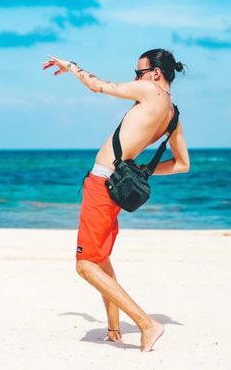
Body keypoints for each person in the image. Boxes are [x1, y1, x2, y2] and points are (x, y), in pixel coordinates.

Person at [43, 48, 190, 352]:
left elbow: (99, 85)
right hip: (115, 189)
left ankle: (147, 323)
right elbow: (181, 163)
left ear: (155, 74)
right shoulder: (173, 115)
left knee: (85, 266)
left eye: (139, 73)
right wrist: (143, 170)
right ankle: (113, 330)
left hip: (102, 183)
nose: (136, 78)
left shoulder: (150, 91)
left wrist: (71, 66)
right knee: (101, 260)